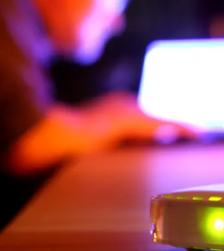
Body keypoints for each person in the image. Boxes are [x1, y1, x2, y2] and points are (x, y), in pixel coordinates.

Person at [0, 0, 196, 230]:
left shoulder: (21, 24)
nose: (117, 22)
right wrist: (119, 121)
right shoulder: (8, 13)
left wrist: (109, 114)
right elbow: (25, 141)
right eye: (113, 5)